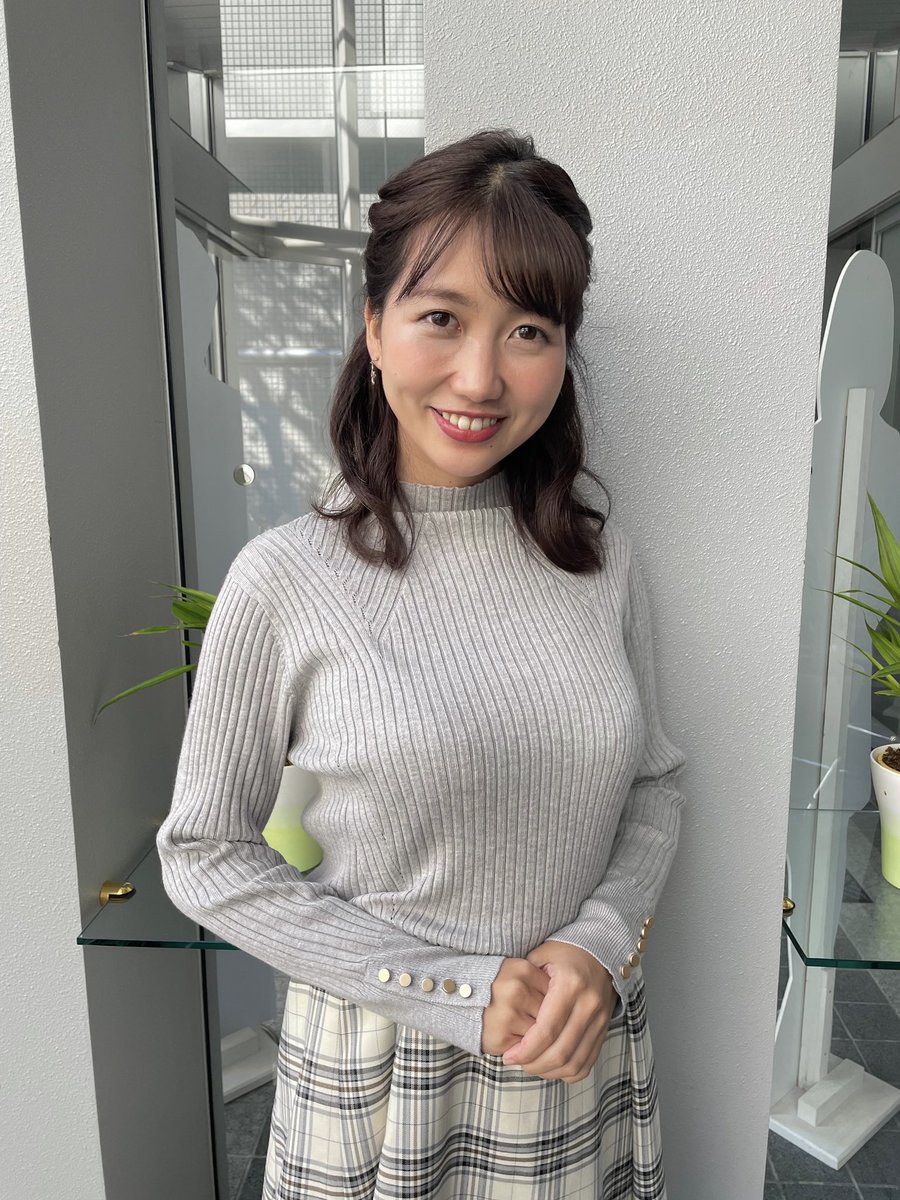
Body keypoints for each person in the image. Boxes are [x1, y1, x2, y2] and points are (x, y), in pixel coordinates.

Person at [156, 128, 687, 1200]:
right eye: (441, 316)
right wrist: (448, 988)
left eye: (529, 330)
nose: (481, 377)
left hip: (571, 1053)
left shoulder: (602, 563)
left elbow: (654, 785)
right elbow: (204, 853)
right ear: (374, 326)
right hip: (381, 1066)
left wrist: (598, 942)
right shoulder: (287, 577)